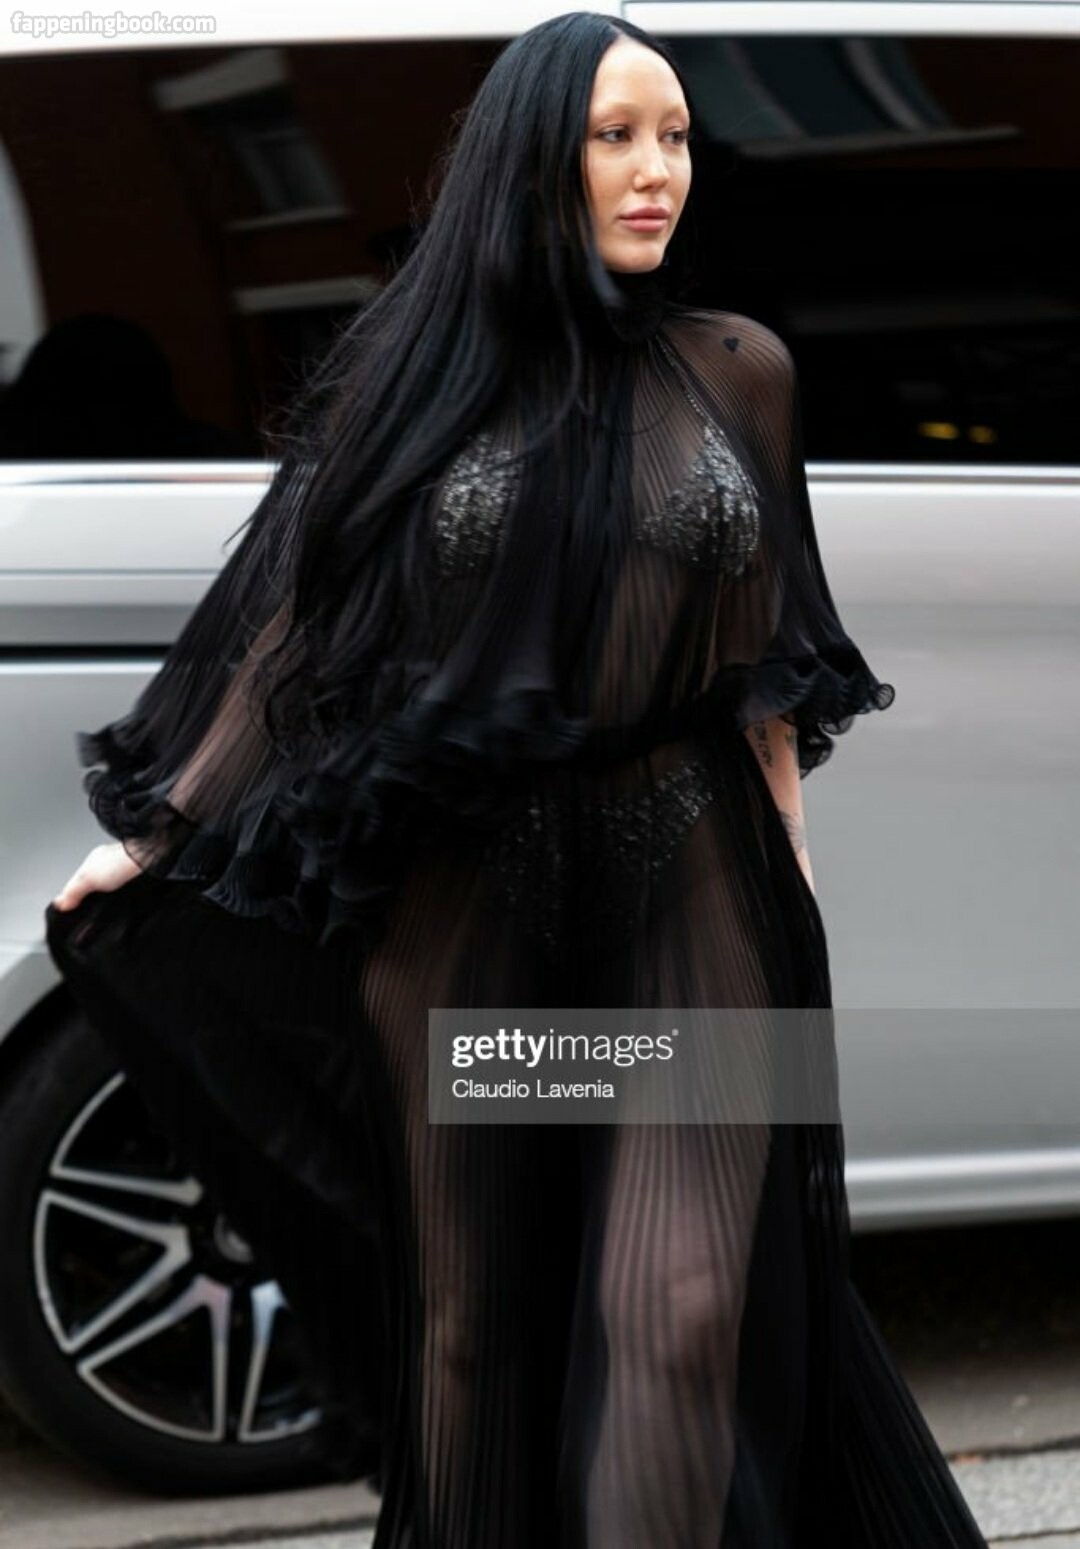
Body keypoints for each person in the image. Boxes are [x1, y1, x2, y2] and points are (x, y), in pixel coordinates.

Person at [45, 12, 990, 1546]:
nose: (657, 169)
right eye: (616, 136)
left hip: (699, 890)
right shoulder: (411, 378)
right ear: (531, 159)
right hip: (474, 908)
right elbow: (299, 626)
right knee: (475, 1333)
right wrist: (158, 838)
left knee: (689, 1313)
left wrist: (793, 872)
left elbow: (768, 660)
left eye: (675, 136)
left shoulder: (740, 369)